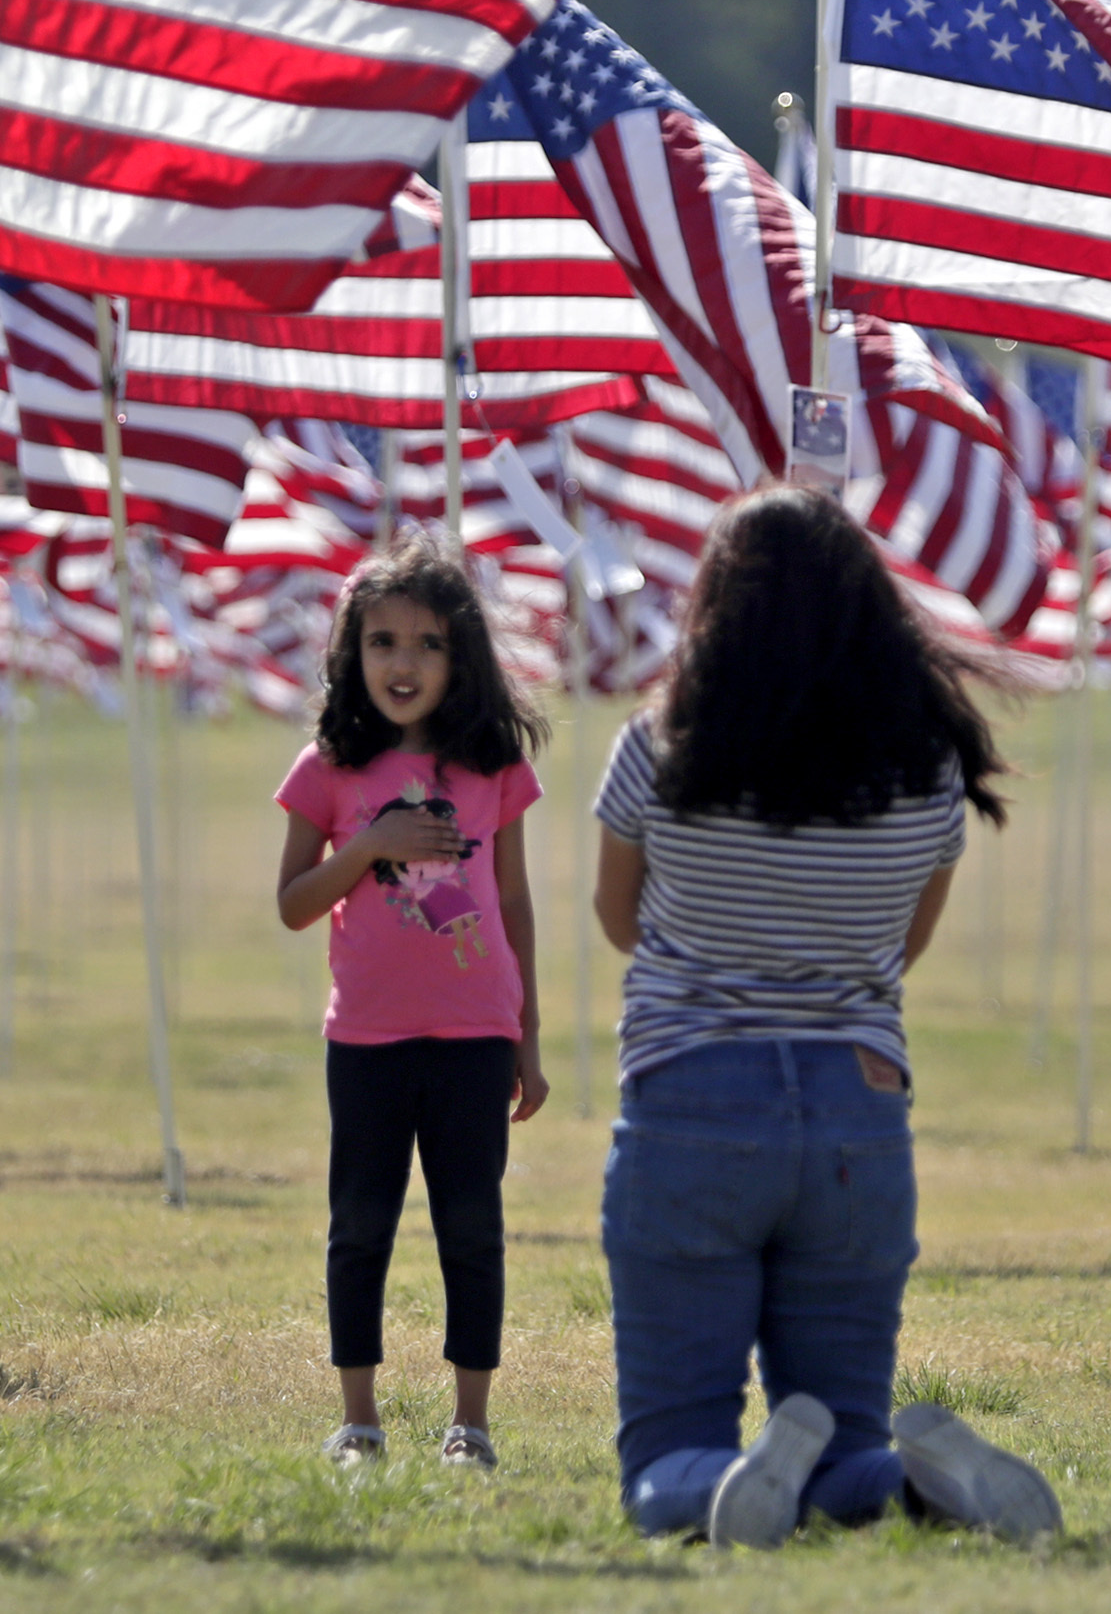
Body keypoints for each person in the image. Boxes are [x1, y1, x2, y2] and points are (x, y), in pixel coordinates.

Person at [591, 485, 1060, 1546]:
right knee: (848, 1442)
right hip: (858, 1111)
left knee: (665, 1456)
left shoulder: (658, 745)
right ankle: (906, 1478)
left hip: (690, 1102)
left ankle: (730, 1478)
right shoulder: (925, 767)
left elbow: (618, 919)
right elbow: (904, 945)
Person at [275, 532, 550, 1471]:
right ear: (354, 653)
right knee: (361, 1224)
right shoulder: (326, 767)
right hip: (367, 1039)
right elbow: (292, 905)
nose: (404, 662)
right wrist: (370, 845)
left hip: (478, 1034)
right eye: (383, 641)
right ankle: (359, 1420)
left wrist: (530, 1032)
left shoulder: (493, 763)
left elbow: (512, 901)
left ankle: (470, 1424)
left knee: (471, 1227)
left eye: (428, 643)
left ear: (460, 655)